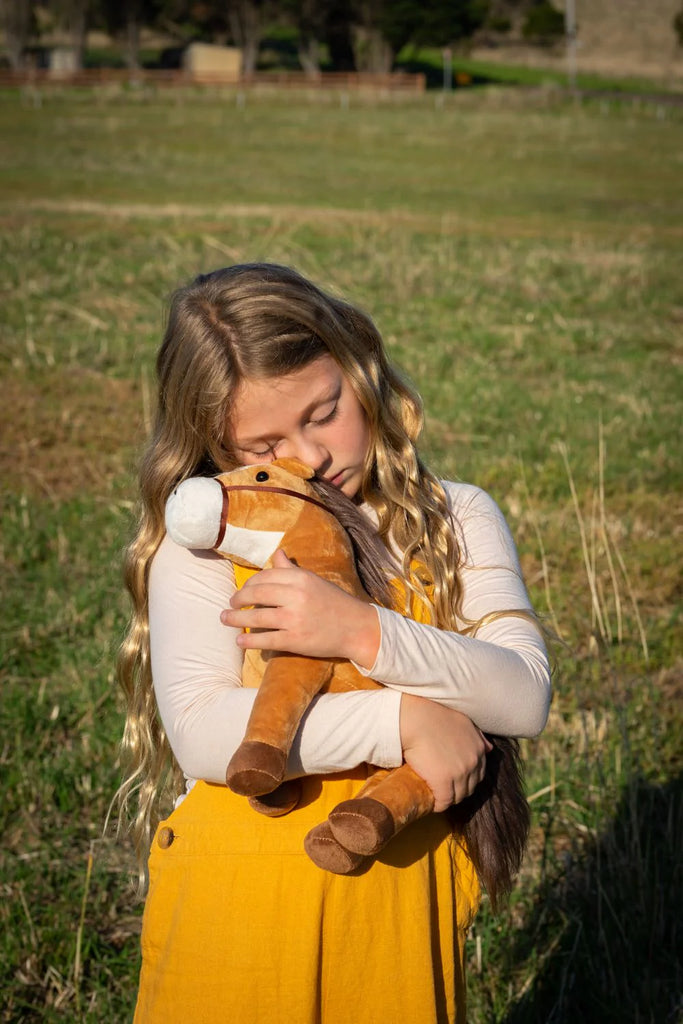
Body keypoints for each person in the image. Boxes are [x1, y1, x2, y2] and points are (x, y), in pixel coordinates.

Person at [118, 262, 551, 1024]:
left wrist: (358, 630)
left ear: (358, 366)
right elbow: (204, 736)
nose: (311, 459)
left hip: (394, 900)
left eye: (323, 412)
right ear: (218, 451)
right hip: (241, 903)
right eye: (266, 441)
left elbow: (522, 693)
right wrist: (404, 723)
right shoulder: (207, 550)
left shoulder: (457, 518)